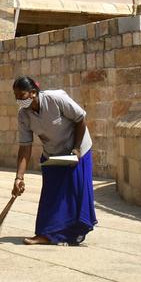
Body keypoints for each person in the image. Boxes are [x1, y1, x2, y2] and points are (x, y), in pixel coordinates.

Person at [11, 76, 97, 246]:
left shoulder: (55, 99)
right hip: (52, 154)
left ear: (33, 93)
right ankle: (46, 234)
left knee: (74, 193)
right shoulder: (23, 115)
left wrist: (77, 148)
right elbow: (25, 147)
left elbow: (80, 119)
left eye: (22, 96)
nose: (19, 101)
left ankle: (72, 234)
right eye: (16, 97)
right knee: (51, 195)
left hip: (77, 149)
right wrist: (19, 177)